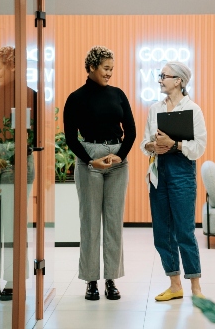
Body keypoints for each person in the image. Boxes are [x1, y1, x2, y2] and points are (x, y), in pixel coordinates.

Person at [63, 46, 136, 301]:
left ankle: (111, 280)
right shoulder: (75, 98)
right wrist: (90, 161)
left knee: (114, 222)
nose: (109, 74)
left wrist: (120, 156)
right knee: (90, 222)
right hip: (89, 158)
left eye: (112, 69)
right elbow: (70, 138)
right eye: (106, 68)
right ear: (92, 67)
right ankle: (91, 281)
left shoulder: (118, 94)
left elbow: (131, 131)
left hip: (117, 160)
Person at [140, 61, 207, 300]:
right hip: (159, 173)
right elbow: (144, 143)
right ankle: (175, 285)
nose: (160, 80)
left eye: (163, 76)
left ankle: (196, 288)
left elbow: (199, 146)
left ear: (178, 80)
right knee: (162, 232)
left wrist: (174, 144)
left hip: (182, 173)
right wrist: (151, 145)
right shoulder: (154, 109)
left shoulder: (193, 110)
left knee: (184, 232)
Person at [0, 46, 36, 301]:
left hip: (18, 166)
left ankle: (13, 281)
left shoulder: (27, 95)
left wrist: (3, 156)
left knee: (14, 225)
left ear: (12, 66)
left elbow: (29, 138)